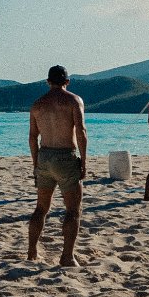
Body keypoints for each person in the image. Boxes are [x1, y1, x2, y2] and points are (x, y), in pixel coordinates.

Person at [28, 66, 88, 266]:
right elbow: (81, 131)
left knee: (41, 208)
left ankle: (32, 252)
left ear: (48, 82)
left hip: (44, 156)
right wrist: (84, 161)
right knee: (73, 210)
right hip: (65, 157)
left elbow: (32, 137)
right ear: (67, 82)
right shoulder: (74, 100)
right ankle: (67, 256)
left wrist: (36, 163)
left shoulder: (37, 104)